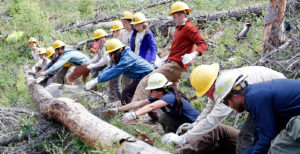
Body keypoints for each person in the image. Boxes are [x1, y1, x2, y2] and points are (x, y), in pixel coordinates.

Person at [161, 64, 286, 153]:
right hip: (267, 97)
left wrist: (185, 138)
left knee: (247, 138)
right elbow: (211, 104)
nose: (206, 96)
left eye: (205, 92)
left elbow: (213, 120)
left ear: (211, 86)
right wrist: (196, 123)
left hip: (278, 100)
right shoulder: (219, 82)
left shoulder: (228, 88)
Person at [131, 1, 207, 103]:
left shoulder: (190, 28)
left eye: (175, 17)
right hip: (173, 64)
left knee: (145, 82)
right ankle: (178, 115)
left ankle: (133, 115)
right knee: (171, 95)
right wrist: (167, 57)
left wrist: (193, 54)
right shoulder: (178, 28)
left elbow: (203, 44)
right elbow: (178, 48)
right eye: (173, 17)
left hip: (175, 66)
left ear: (182, 15)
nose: (173, 19)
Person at [214, 72, 300, 153]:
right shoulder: (255, 93)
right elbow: (260, 138)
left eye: (225, 102)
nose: (229, 106)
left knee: (277, 149)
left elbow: (265, 140)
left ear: (235, 96)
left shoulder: (254, 98)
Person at [101, 73, 200, 133]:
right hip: (182, 122)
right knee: (163, 117)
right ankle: (174, 140)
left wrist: (134, 115)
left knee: (163, 117)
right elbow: (138, 104)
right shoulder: (158, 96)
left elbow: (151, 107)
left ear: (158, 90)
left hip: (195, 124)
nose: (150, 92)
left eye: (151, 90)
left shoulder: (169, 97)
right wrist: (118, 109)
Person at [85, 38, 154, 105]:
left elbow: (114, 71)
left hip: (148, 77)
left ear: (117, 51)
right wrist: (96, 79)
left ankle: (132, 112)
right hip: (140, 78)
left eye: (110, 54)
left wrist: (97, 80)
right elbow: (110, 67)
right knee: (127, 94)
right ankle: (129, 110)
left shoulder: (126, 59)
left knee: (133, 96)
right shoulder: (122, 55)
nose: (110, 57)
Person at [87, 29, 122, 102]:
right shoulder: (101, 45)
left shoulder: (107, 44)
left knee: (115, 84)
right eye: (95, 40)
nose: (96, 41)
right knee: (113, 83)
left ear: (102, 37)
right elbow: (98, 56)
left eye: (97, 39)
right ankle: (114, 99)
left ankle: (117, 100)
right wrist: (90, 62)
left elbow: (105, 59)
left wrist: (95, 65)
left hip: (115, 65)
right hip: (110, 65)